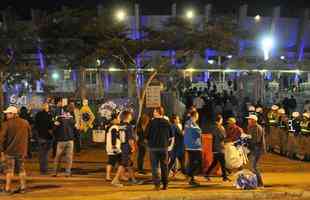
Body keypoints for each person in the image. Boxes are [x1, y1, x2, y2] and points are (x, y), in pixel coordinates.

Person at [0, 106, 31, 193]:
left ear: (13, 114)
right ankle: (23, 188)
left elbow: (2, 139)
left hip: (10, 151)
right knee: (21, 169)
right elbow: (30, 135)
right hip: (21, 150)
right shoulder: (25, 123)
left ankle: (7, 188)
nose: (6, 115)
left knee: (9, 170)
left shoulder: (6, 124)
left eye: (8, 113)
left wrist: (2, 151)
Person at [146, 106, 174, 190]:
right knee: (164, 166)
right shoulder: (167, 122)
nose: (153, 113)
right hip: (164, 148)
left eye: (154, 111)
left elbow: (146, 135)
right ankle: (165, 184)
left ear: (158, 112)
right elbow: (171, 136)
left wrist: (150, 141)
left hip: (153, 148)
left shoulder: (151, 122)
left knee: (155, 167)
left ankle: (157, 185)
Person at [111, 111, 140, 187]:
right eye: (130, 115)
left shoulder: (120, 125)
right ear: (128, 116)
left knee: (129, 164)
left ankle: (133, 179)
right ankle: (115, 180)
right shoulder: (129, 126)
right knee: (123, 164)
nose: (131, 117)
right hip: (127, 147)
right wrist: (133, 147)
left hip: (122, 146)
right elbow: (130, 139)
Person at [205, 115, 231, 182]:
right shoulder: (220, 127)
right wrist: (224, 133)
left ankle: (207, 174)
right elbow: (222, 137)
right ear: (220, 120)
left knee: (215, 162)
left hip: (214, 147)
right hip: (219, 147)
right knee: (222, 162)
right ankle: (224, 177)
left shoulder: (212, 127)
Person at [53, 108, 75, 177]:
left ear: (63, 111)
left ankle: (55, 172)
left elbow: (54, 128)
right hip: (70, 140)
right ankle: (67, 173)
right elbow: (76, 128)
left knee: (58, 157)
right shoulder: (72, 119)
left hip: (61, 140)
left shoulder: (59, 119)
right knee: (69, 158)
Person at [184, 111, 202, 186]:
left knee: (192, 162)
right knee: (197, 162)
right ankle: (191, 177)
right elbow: (198, 132)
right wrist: (200, 131)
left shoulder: (187, 123)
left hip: (189, 146)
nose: (198, 116)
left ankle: (191, 177)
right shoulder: (193, 124)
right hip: (194, 146)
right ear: (194, 116)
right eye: (197, 115)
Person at [35, 103, 54, 175]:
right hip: (48, 137)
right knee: (46, 154)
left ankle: (42, 168)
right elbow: (51, 126)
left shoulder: (38, 115)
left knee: (41, 154)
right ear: (47, 108)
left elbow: (36, 125)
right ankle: (45, 169)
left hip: (40, 136)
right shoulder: (49, 115)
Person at [247, 114, 265, 187]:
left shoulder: (257, 128)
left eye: (249, 119)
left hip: (257, 149)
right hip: (253, 148)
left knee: (254, 167)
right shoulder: (250, 127)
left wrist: (247, 139)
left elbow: (256, 140)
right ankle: (256, 183)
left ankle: (259, 183)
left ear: (253, 121)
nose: (248, 120)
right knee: (253, 167)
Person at [105, 112, 122, 181]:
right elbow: (114, 138)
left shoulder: (110, 126)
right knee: (119, 162)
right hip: (114, 148)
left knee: (111, 161)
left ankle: (108, 176)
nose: (119, 119)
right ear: (115, 119)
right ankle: (109, 176)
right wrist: (114, 146)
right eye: (118, 118)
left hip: (110, 147)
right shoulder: (114, 127)